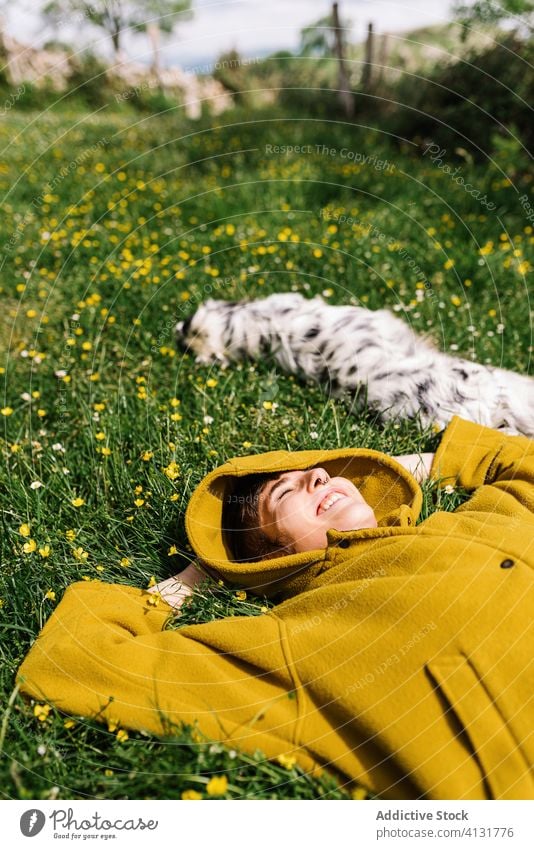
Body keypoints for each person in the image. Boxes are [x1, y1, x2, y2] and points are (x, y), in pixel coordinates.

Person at [17, 416, 534, 800]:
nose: (318, 475)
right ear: (269, 561)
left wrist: (414, 467)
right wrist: (197, 577)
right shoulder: (299, 639)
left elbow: (519, 462)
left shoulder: (481, 515)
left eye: (325, 471)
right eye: (284, 492)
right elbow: (76, 661)